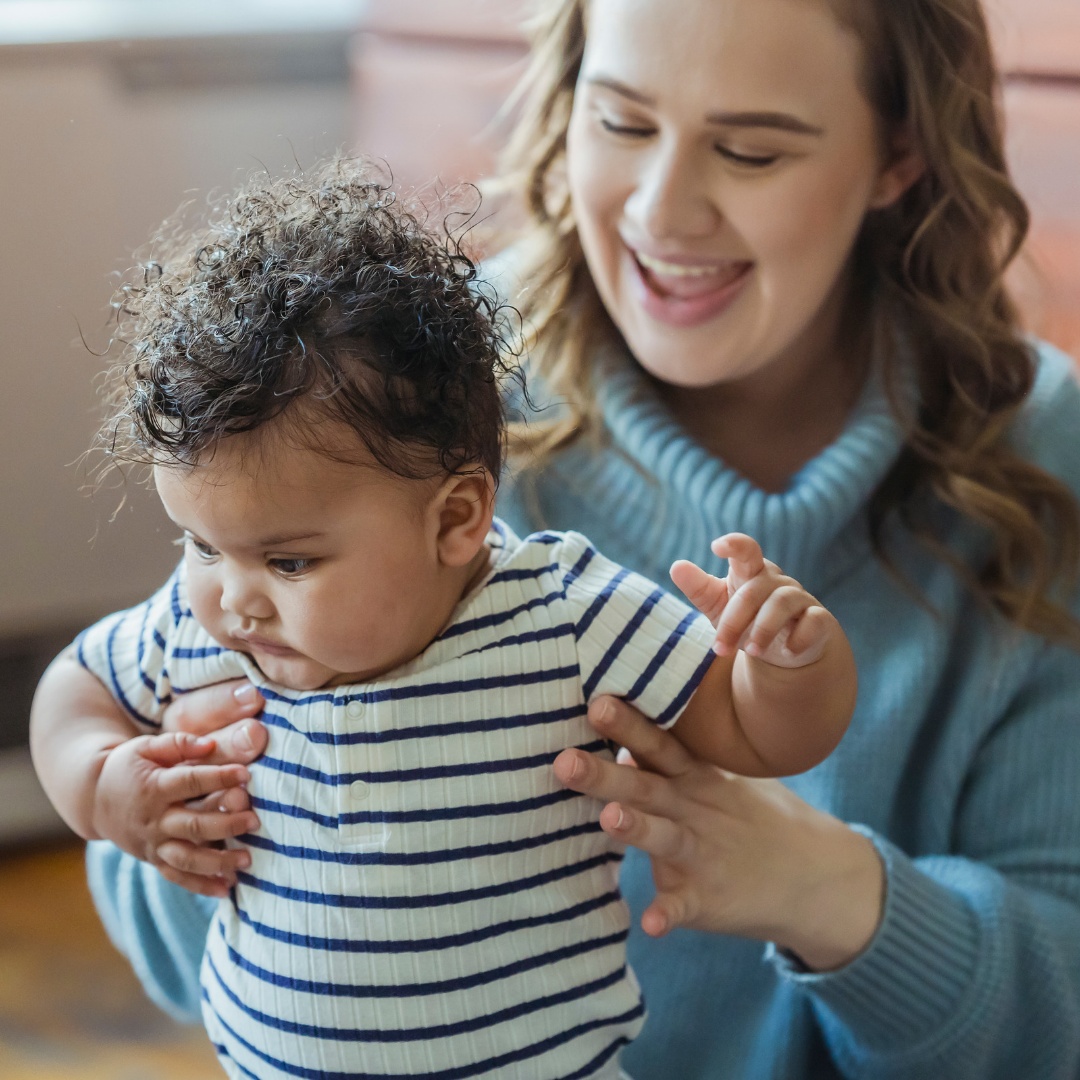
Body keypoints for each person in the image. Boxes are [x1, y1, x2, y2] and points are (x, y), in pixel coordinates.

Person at [30, 0, 1080, 1075]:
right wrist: (189, 808)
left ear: (897, 152)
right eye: (622, 123)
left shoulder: (1044, 450)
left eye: (750, 149)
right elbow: (165, 901)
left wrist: (831, 891)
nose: (666, 212)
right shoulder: (374, 404)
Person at [30, 161, 855, 1080]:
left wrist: (786, 668)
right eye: (201, 544)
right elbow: (75, 686)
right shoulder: (206, 634)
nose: (234, 596)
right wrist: (101, 787)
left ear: (456, 519)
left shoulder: (562, 618)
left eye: (290, 560)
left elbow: (753, 735)